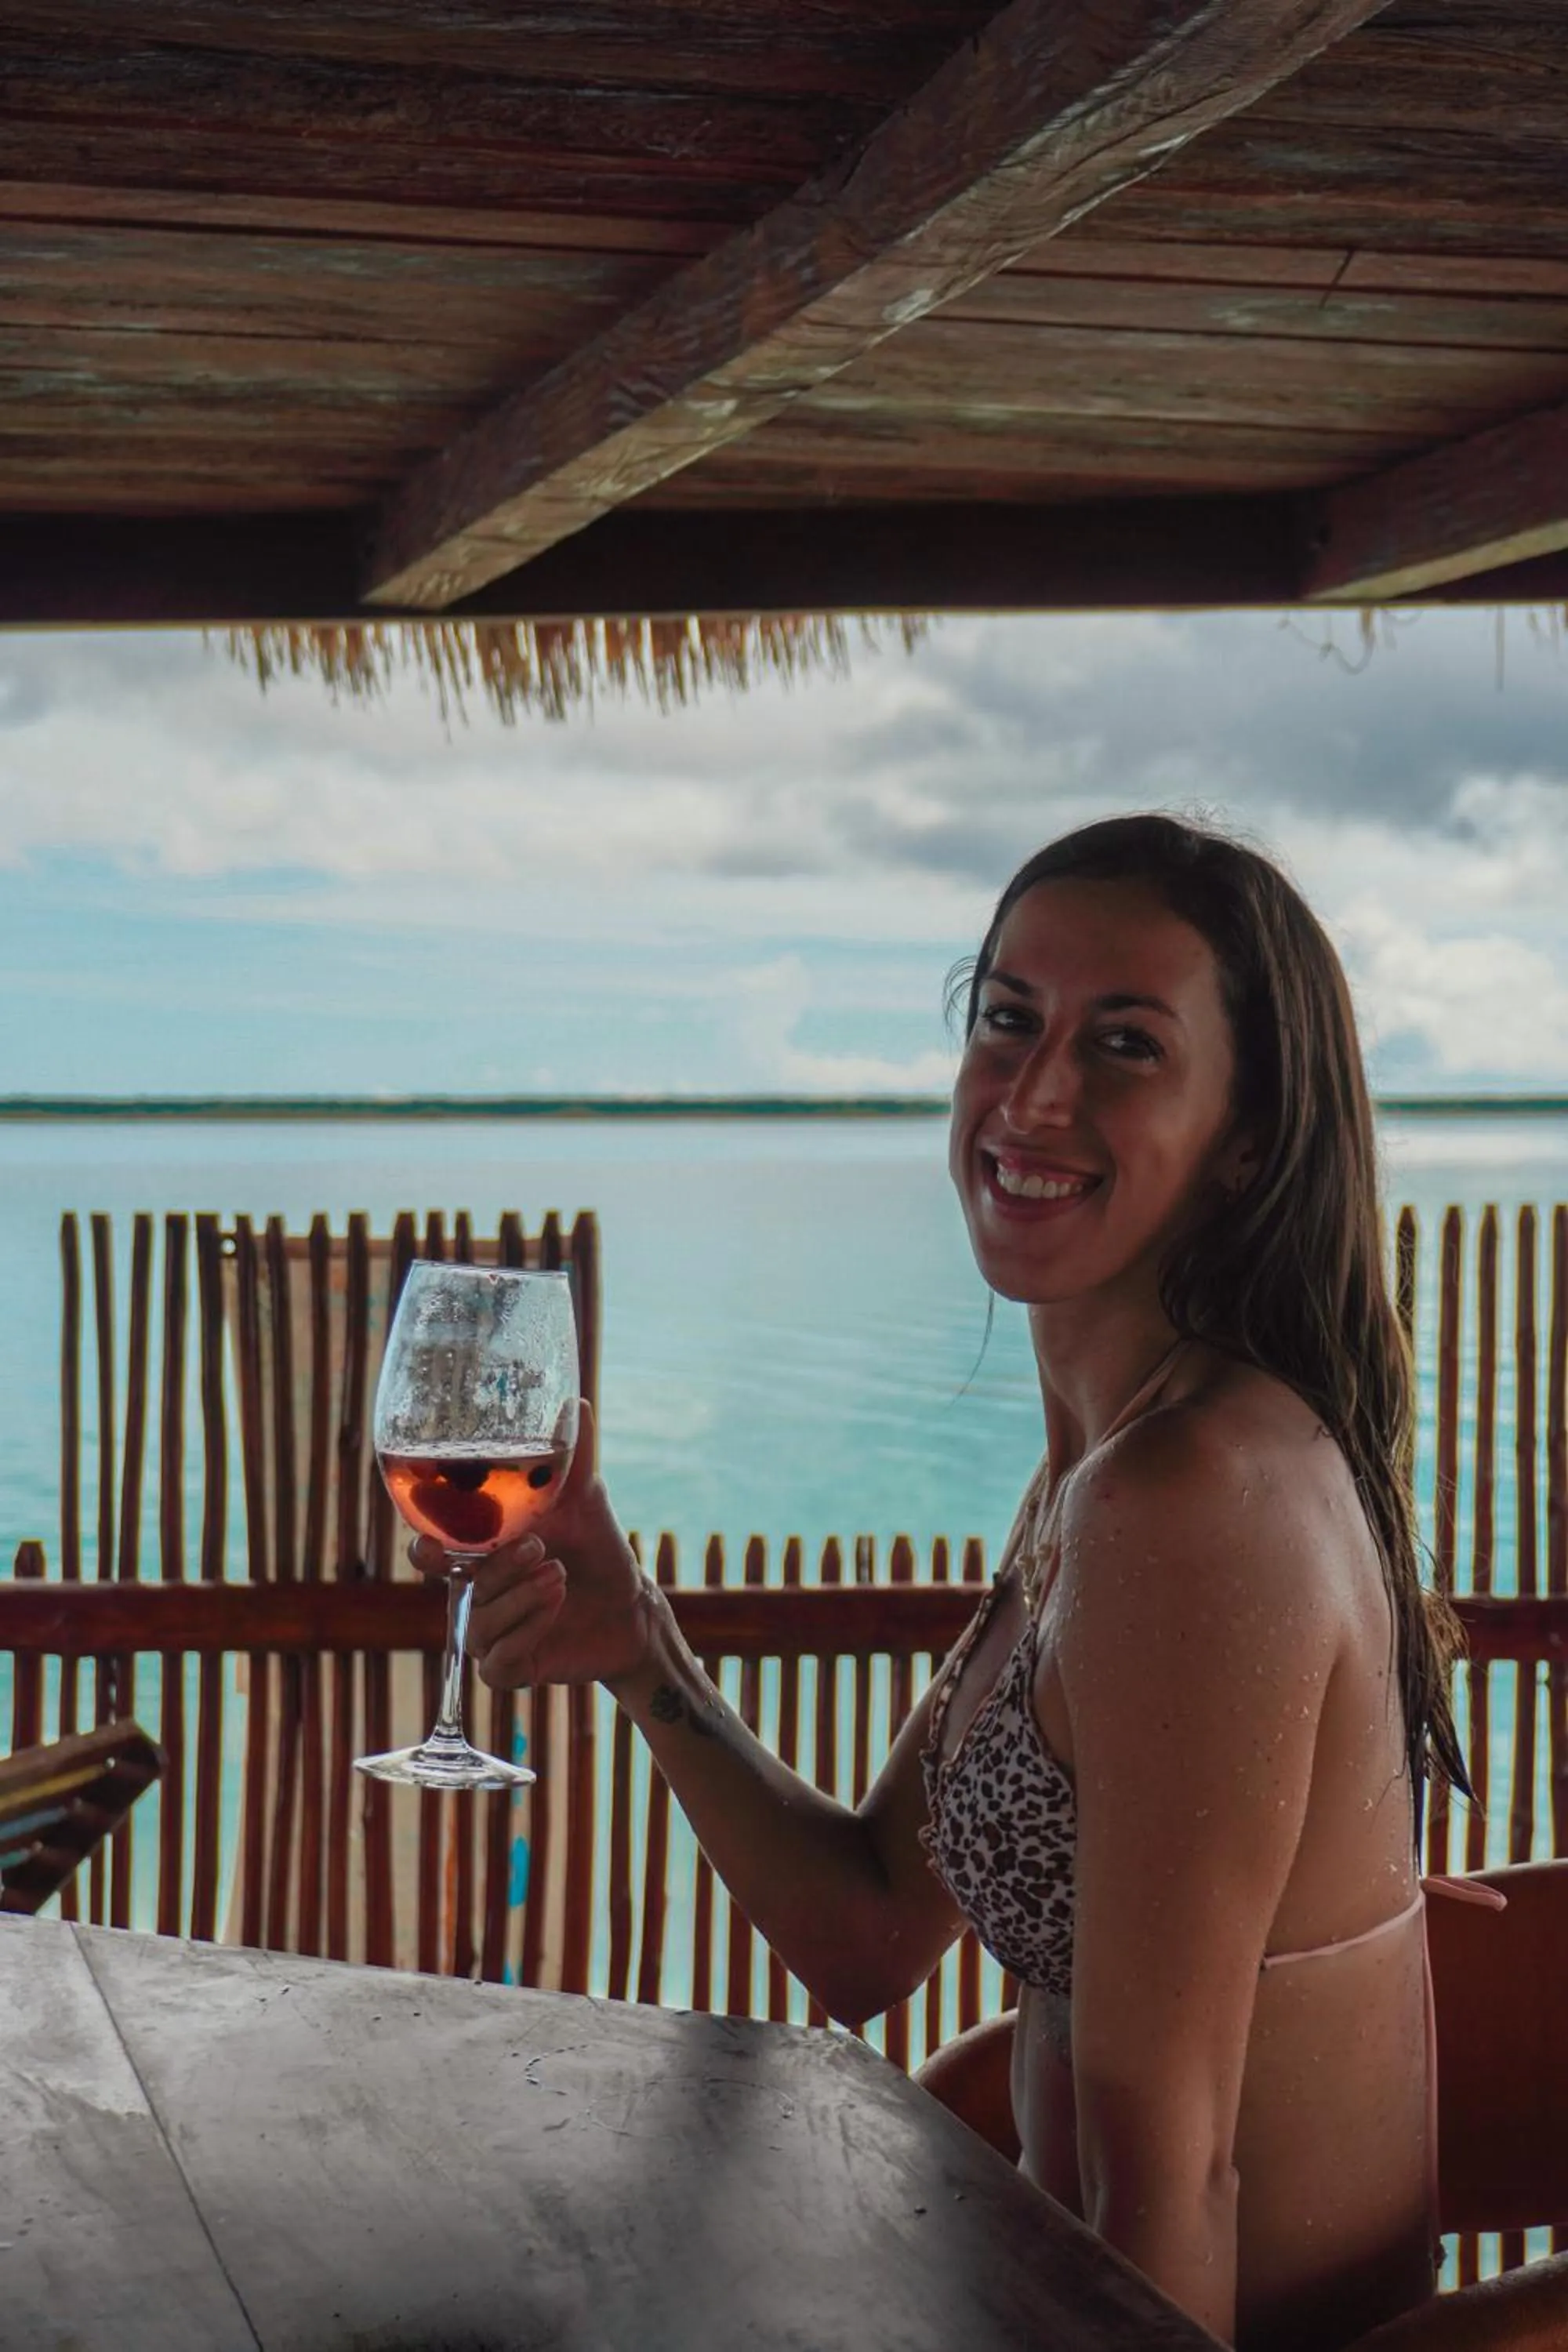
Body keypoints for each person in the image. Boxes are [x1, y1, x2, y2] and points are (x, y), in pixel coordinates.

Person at [413, 814, 1471, 2351]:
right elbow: (867, 1937)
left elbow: (1173, 2191)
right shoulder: (1109, 1470)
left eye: (1124, 1044)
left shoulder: (1189, 1506)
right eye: (1006, 1021)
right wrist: (639, 1653)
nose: (1035, 1095)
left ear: (1246, 1135)